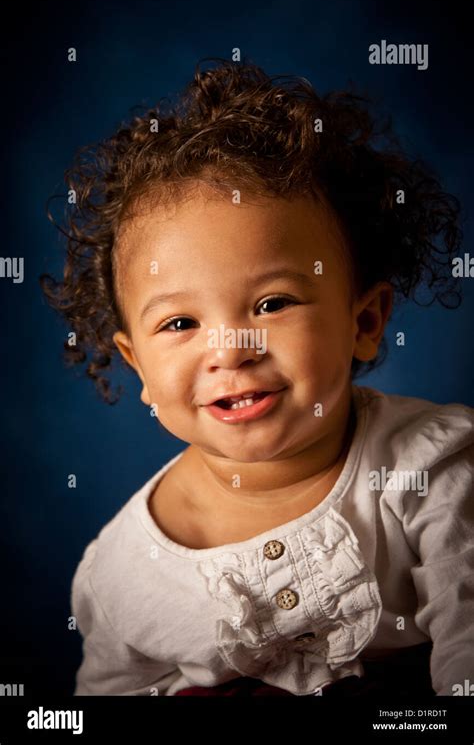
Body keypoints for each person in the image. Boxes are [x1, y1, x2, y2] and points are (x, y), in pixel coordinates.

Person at [40, 58, 473, 697]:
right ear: (139, 368)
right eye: (179, 323)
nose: (231, 350)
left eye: (272, 304)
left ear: (366, 320)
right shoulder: (121, 572)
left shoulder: (428, 472)